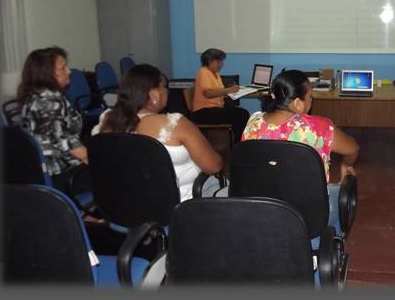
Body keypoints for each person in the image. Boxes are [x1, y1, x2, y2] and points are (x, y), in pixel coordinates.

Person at [242, 69, 359, 234]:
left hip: (259, 208)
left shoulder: (253, 121)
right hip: (307, 215)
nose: (311, 100)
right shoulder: (319, 128)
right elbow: (353, 148)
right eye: (310, 96)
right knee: (340, 196)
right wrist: (345, 165)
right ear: (297, 103)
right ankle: (328, 243)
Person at [93, 64, 224, 202]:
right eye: (163, 86)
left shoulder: (106, 120)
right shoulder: (174, 123)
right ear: (153, 95)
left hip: (124, 205)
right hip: (182, 206)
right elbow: (213, 166)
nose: (166, 91)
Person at [16, 46, 90, 197]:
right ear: (47, 73)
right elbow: (65, 141)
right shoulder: (47, 102)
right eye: (63, 68)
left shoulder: (44, 94)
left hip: (58, 165)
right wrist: (94, 160)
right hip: (59, 173)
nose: (69, 71)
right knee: (115, 170)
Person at [190, 48, 250, 144]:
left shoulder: (215, 74)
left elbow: (218, 93)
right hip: (203, 112)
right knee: (240, 115)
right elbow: (208, 93)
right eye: (219, 61)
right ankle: (239, 144)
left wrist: (234, 93)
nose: (221, 64)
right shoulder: (203, 72)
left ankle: (240, 142)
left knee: (243, 113)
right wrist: (229, 90)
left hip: (215, 108)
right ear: (210, 61)